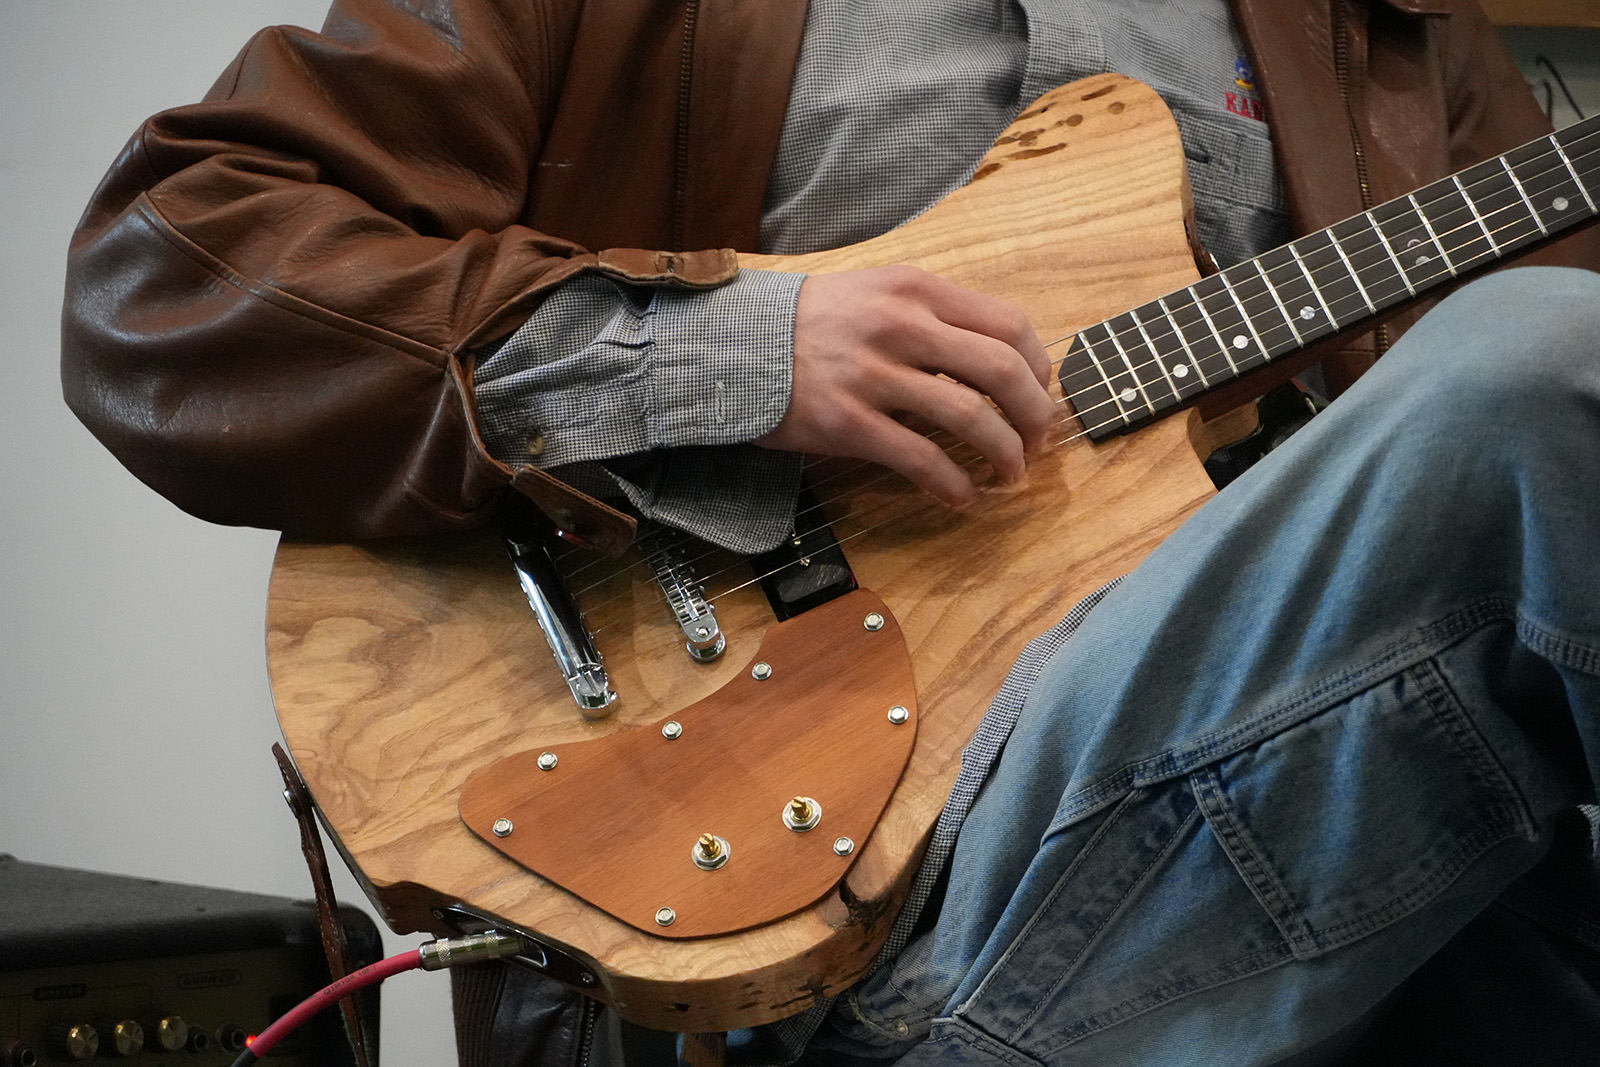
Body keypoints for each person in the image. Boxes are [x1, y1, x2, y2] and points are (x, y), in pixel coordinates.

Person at [60, 1, 1600, 1064]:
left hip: (1348, 834)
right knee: (1545, 359)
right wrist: (733, 355)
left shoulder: (1394, 34)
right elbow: (174, 272)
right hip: (841, 937)